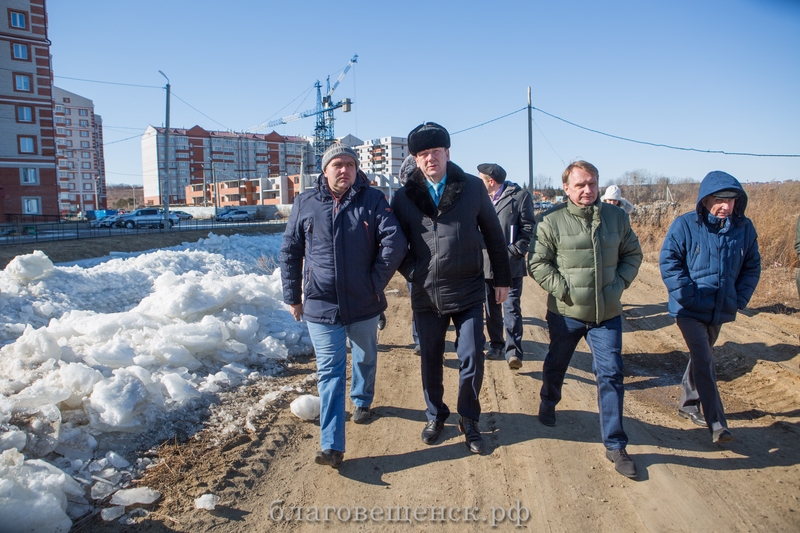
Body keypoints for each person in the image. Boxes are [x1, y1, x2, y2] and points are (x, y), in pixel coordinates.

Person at [280, 143, 406, 468]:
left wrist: (373, 284)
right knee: (330, 373)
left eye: (349, 164)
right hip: (321, 306)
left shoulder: (373, 199)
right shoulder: (306, 202)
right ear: (325, 170)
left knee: (365, 355)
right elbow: (291, 251)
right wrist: (293, 296)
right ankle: (331, 445)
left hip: (364, 304)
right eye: (337, 164)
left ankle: (362, 399)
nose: (344, 170)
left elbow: (395, 242)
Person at [391, 122, 511, 454]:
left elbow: (493, 236)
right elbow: (393, 245)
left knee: (472, 355)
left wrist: (501, 279)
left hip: (468, 289)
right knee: (430, 357)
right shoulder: (403, 198)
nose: (431, 158)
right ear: (416, 159)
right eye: (423, 153)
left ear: (447, 153)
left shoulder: (472, 188)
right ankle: (436, 414)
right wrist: (413, 271)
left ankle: (469, 419)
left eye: (436, 151)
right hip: (426, 294)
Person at [528, 160, 642, 479]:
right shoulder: (550, 221)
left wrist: (619, 284)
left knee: (611, 373)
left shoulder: (616, 217)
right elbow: (537, 262)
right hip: (566, 313)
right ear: (566, 188)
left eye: (592, 183)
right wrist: (563, 290)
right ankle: (549, 399)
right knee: (557, 363)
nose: (587, 190)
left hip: (606, 315)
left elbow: (633, 254)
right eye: (580, 185)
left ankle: (615, 445)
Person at [660, 171, 760, 445]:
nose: (725, 206)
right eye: (718, 199)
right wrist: (687, 296)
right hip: (689, 309)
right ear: (704, 200)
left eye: (731, 200)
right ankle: (717, 423)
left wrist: (738, 298)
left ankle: (688, 404)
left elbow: (752, 265)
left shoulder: (744, 228)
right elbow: (669, 262)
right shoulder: (685, 225)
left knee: (700, 355)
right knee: (704, 358)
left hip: (720, 308)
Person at [477, 163, 535, 370]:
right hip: (485, 263)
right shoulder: (479, 198)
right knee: (491, 308)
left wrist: (516, 251)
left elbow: (528, 227)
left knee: (511, 308)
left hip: (510, 265)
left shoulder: (519, 197)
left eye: (481, 178)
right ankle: (496, 345)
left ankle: (514, 351)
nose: (478, 181)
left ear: (491, 182)